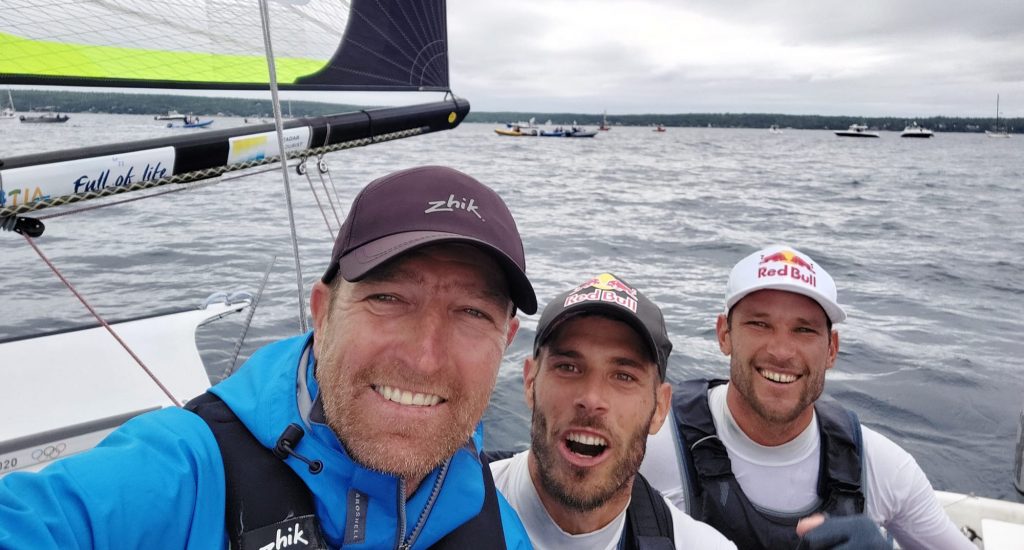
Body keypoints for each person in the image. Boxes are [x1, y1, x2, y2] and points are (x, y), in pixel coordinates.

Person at [0, 165, 539, 549]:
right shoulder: (185, 472)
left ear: (506, 340)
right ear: (322, 313)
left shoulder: (496, 526)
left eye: (472, 313)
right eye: (388, 298)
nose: (424, 359)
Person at [639, 244, 974, 549]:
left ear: (831, 349)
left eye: (804, 330)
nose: (782, 351)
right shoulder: (647, 449)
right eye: (759, 324)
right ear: (724, 334)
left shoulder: (884, 469)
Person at [489, 273, 736, 549]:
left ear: (660, 408)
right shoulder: (453, 505)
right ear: (530, 382)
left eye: (623, 376)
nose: (591, 399)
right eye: (568, 368)